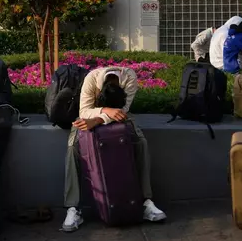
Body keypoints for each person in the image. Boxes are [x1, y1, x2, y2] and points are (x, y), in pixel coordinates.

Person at [62, 67, 166, 232]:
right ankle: (73, 207)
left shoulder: (130, 77)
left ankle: (146, 201)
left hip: (118, 115)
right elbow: (84, 110)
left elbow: (123, 109)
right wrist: (104, 111)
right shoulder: (92, 78)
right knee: (72, 148)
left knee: (140, 143)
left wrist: (99, 119)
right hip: (90, 115)